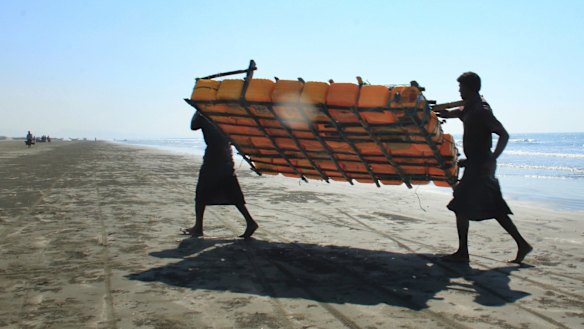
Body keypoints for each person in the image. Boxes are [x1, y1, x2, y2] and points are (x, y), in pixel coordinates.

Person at [438, 72, 532, 264]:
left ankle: (464, 251)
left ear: (470, 88)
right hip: (475, 163)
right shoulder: (470, 108)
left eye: (461, 88)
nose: (459, 91)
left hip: (482, 166)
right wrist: (435, 112)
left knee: (462, 205)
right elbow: (453, 113)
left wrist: (492, 159)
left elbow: (503, 135)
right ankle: (521, 244)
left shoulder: (481, 110)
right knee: (492, 208)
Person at [181, 111, 258, 239]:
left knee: (202, 191)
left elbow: (193, 126)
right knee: (231, 191)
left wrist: (197, 109)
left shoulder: (206, 114)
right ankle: (250, 222)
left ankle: (198, 227)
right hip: (225, 156)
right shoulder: (224, 113)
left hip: (214, 157)